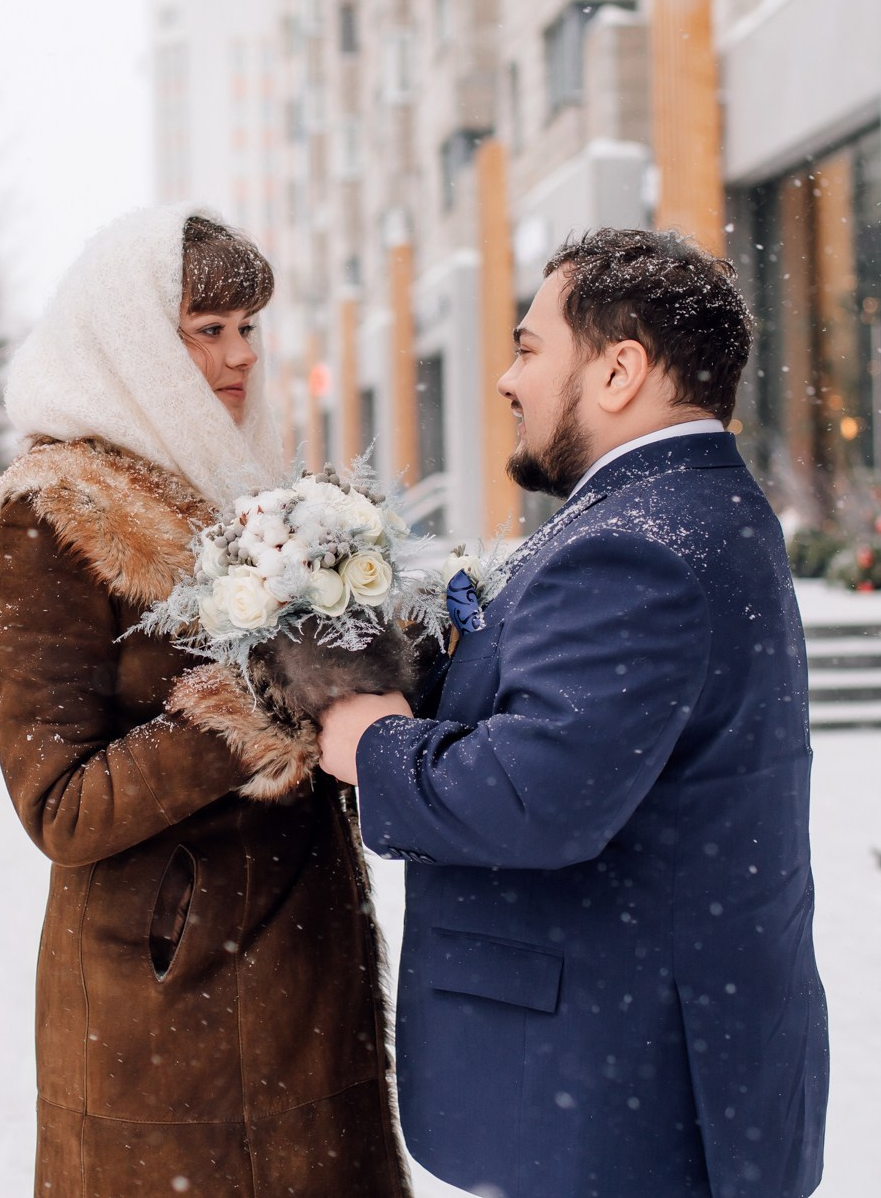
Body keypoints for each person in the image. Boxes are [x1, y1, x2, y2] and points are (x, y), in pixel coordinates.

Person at [317, 228, 829, 1198]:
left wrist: (372, 745)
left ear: (618, 370)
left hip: (613, 1098)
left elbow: (535, 793)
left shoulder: (636, 545)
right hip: (654, 1081)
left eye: (527, 347)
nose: (508, 380)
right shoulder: (693, 509)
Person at [0, 206, 412, 1198]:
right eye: (204, 330)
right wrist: (245, 707)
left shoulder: (249, 489)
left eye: (248, 327)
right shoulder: (49, 515)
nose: (239, 356)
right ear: (131, 340)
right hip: (166, 1016)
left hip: (307, 975)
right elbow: (60, 806)